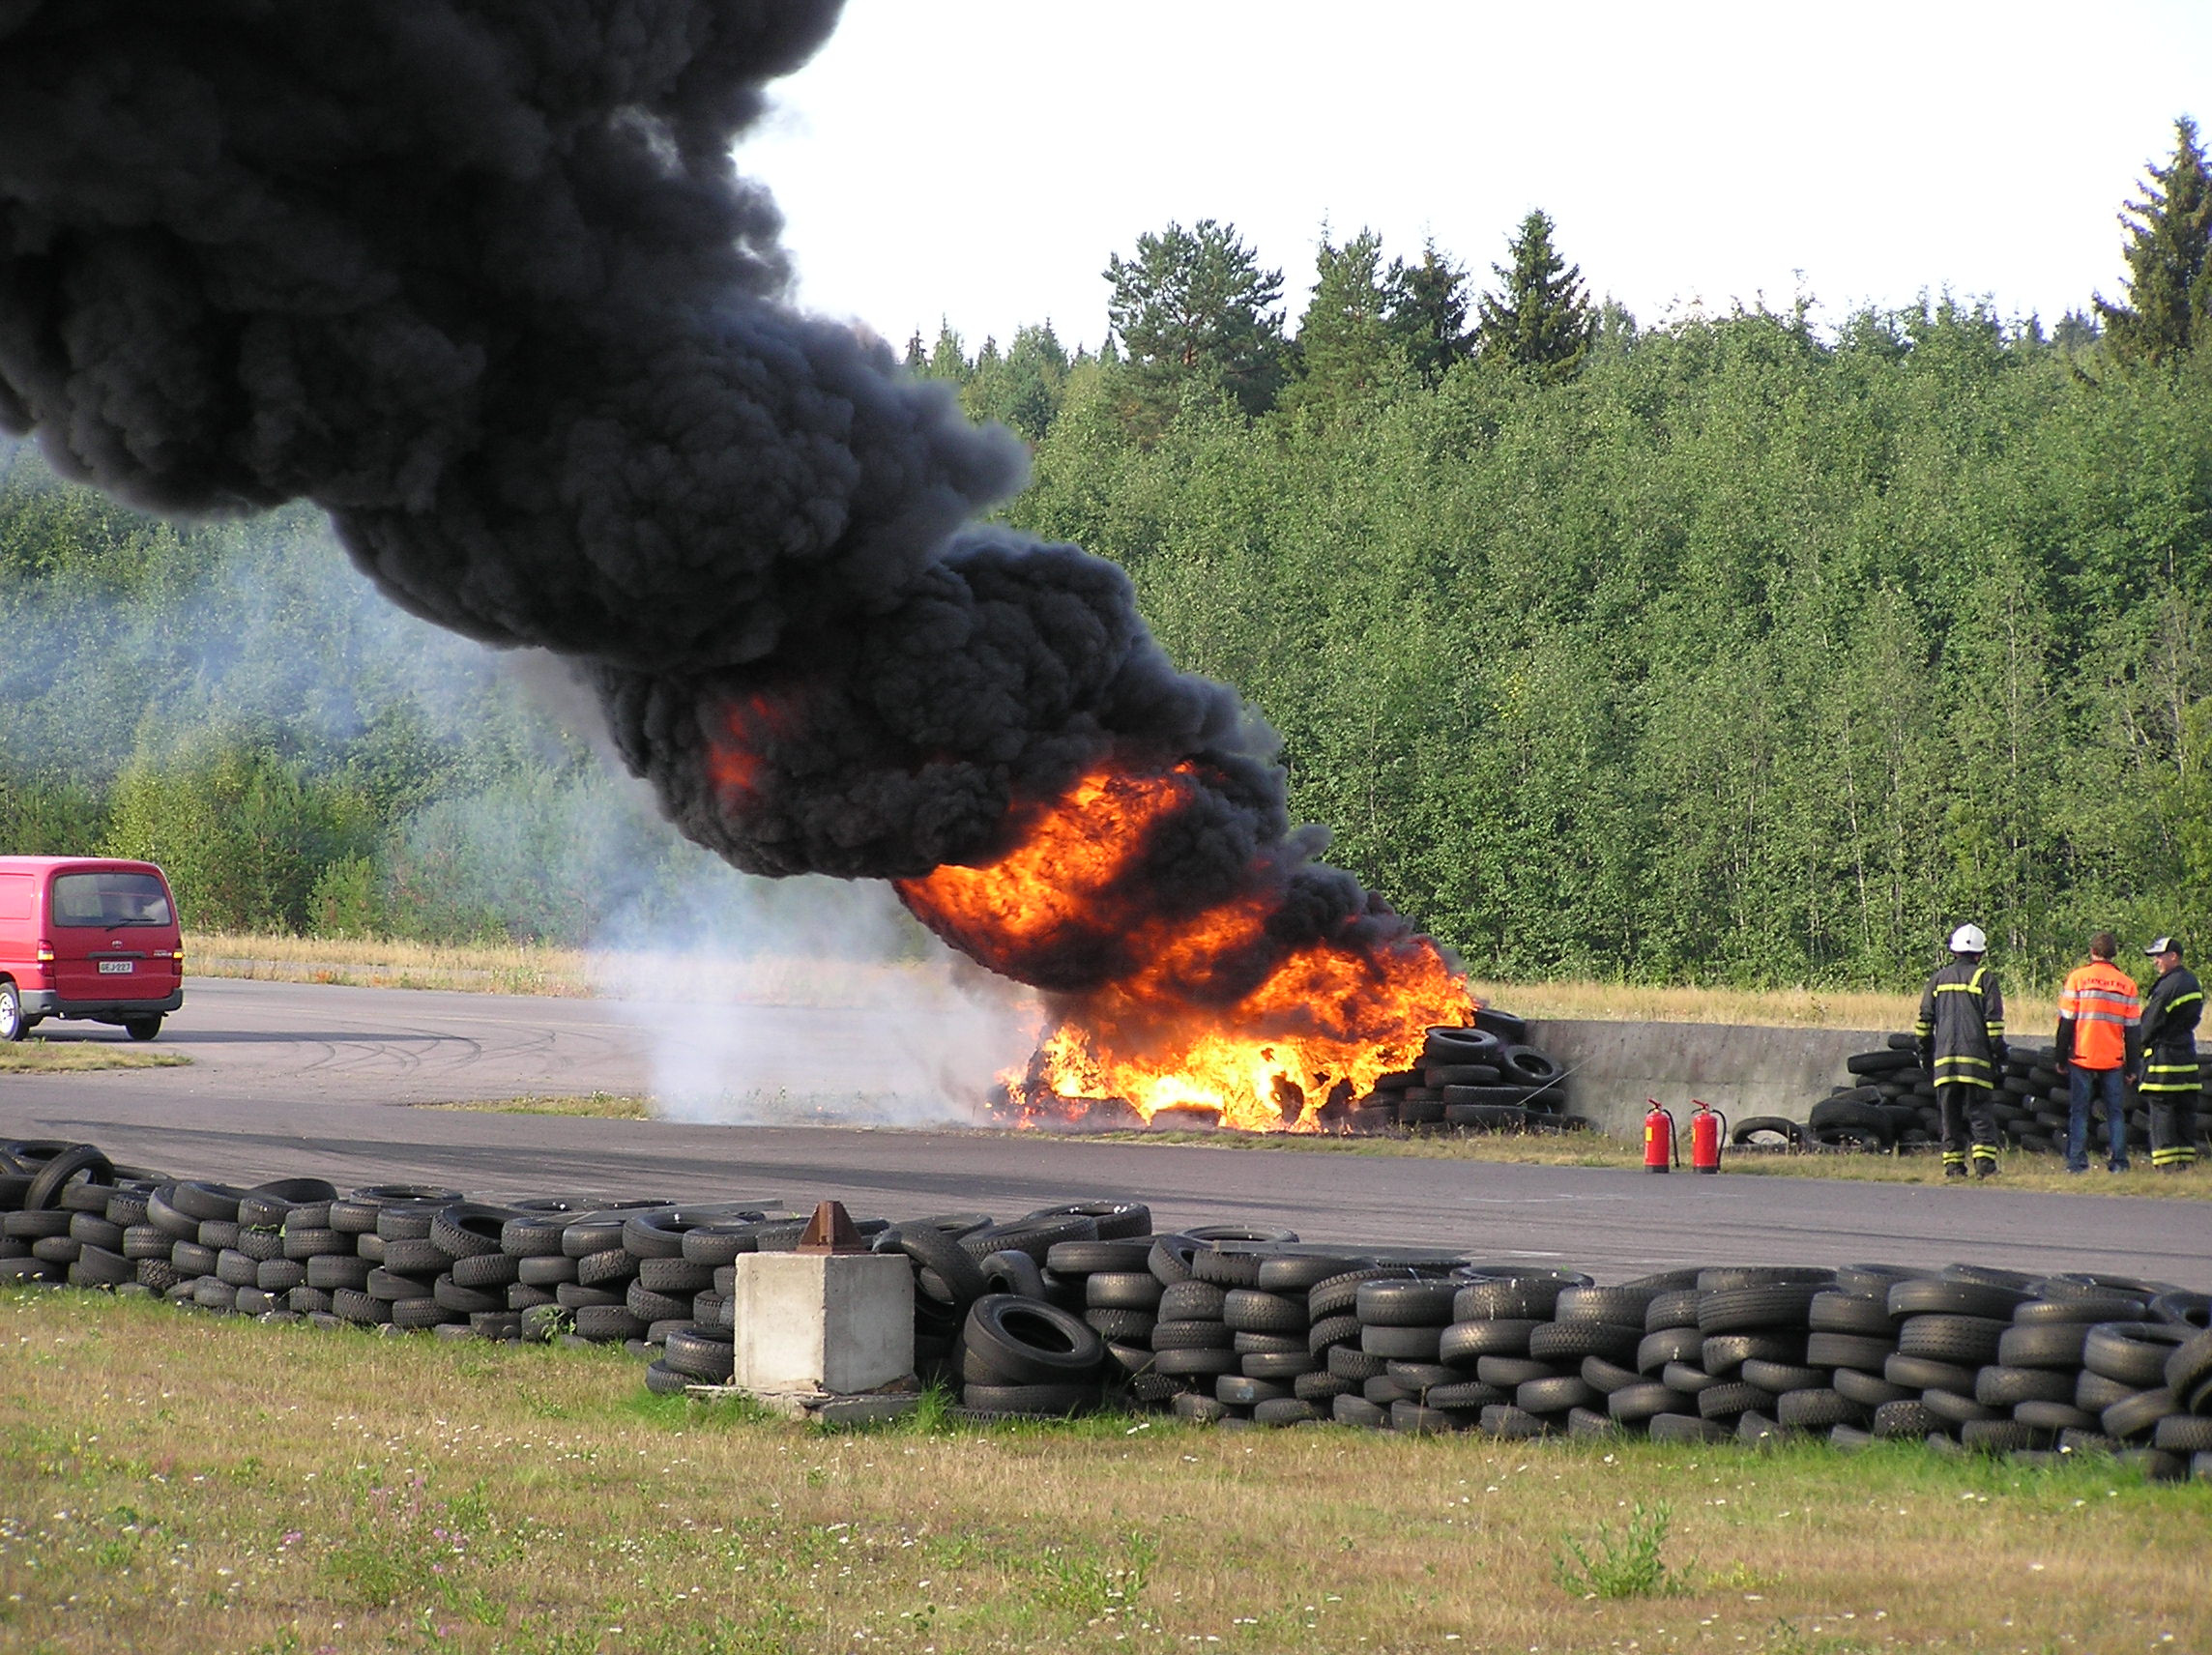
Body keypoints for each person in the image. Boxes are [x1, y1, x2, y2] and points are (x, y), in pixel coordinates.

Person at [1915, 923, 2007, 1179]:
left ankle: (1953, 1167)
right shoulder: (1985, 978)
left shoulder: (1937, 979)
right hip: (1976, 1062)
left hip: (1944, 1062)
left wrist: (1924, 1054)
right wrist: (2000, 1056)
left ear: (1954, 951)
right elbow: (1994, 1025)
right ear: (1980, 953)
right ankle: (1985, 1168)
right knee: (1979, 1113)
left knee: (1950, 1116)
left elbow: (1924, 1022)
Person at [2055, 931, 2142, 1175]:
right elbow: (2134, 1032)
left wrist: (2060, 1057)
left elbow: (2066, 1024)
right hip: (2113, 1058)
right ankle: (2120, 1163)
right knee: (2115, 1113)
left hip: (2082, 1055)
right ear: (2114, 953)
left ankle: (2076, 1163)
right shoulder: (2127, 984)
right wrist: (2133, 1067)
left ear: (2092, 952)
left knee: (2079, 1112)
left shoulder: (2077, 979)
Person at [2138, 937, 2202, 1172]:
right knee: (2185, 1113)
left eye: (2159, 956)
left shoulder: (2167, 987)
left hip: (2163, 1062)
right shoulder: (2193, 983)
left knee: (2162, 1111)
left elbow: (2150, 1024)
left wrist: (2136, 1047)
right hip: (2187, 1058)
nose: (2155, 962)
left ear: (2173, 956)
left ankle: (2165, 1166)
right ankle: (2184, 1163)